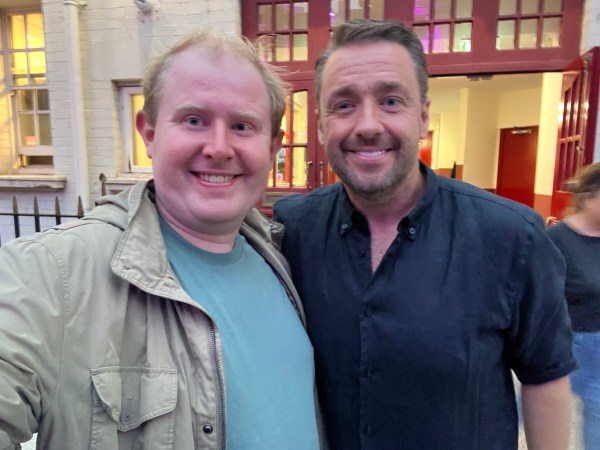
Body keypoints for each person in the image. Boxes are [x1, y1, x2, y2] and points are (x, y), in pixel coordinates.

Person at [0, 29, 322, 449]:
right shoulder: (53, 274)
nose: (219, 148)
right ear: (149, 133)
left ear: (273, 146)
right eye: (194, 121)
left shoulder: (282, 257)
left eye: (242, 126)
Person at [273, 19, 575, 450]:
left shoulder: (513, 238)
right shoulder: (291, 230)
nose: (368, 125)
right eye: (343, 105)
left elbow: (545, 376)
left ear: (423, 116)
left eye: (391, 101)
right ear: (321, 125)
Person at [547, 163, 600, 449]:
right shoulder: (556, 239)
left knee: (597, 417)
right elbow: (539, 297)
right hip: (567, 343)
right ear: (590, 196)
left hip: (599, 347)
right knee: (532, 406)